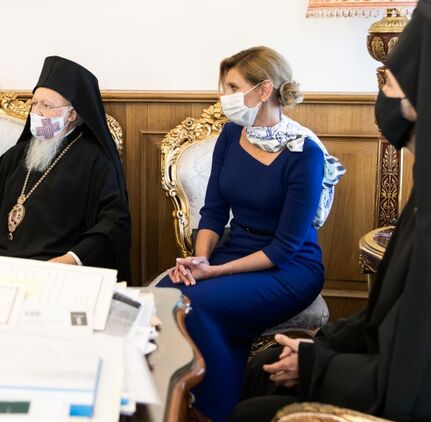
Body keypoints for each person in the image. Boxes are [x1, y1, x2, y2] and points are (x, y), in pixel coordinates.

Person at [231, 3, 431, 420]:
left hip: (393, 393)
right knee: (263, 367)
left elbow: (410, 380)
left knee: (251, 412)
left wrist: (313, 364)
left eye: (390, 84)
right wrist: (319, 345)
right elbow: (381, 318)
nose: (381, 96)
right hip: (376, 368)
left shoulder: (302, 149)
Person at [155, 46, 345, 421]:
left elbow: (285, 248)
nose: (224, 96)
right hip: (235, 248)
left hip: (290, 267)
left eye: (232, 87)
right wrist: (201, 258)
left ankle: (217, 412)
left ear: (263, 89)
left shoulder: (304, 151)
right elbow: (213, 212)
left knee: (195, 305)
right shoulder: (231, 135)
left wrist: (215, 271)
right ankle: (206, 402)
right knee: (164, 293)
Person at [0, 56, 131, 281]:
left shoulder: (96, 161)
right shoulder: (16, 156)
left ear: (71, 114)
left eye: (47, 106)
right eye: (34, 103)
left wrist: (69, 261)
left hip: (50, 271)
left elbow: (113, 224)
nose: (37, 113)